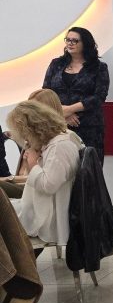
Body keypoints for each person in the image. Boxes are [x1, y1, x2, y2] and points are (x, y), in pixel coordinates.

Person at [6, 100, 84, 248]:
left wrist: (33, 164)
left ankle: (18, 260)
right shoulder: (53, 143)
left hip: (46, 217)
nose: (24, 138)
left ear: (31, 129)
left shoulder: (59, 146)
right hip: (39, 207)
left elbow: (49, 186)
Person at [43, 27, 110, 164]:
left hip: (89, 127)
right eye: (68, 40)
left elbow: (99, 97)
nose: (70, 43)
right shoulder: (56, 64)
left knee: (88, 169)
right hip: (58, 126)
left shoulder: (99, 67)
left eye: (75, 41)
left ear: (85, 43)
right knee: (60, 168)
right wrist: (63, 113)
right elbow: (45, 93)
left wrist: (69, 109)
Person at [1, 89, 82, 199]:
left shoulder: (62, 142)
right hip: (33, 196)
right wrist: (13, 178)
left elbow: (48, 185)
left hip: (41, 201)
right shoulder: (42, 141)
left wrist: (32, 164)